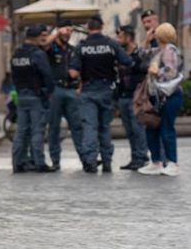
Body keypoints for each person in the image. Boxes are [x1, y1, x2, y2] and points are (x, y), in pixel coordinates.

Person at [68, 15, 132, 173]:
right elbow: (127, 61)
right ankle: (107, 161)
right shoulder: (111, 44)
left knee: (90, 127)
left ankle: (90, 161)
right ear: (102, 26)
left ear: (88, 27)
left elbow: (73, 74)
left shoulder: (81, 47)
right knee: (104, 127)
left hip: (88, 90)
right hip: (106, 90)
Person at [139, 23, 184, 176]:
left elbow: (171, 72)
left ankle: (172, 163)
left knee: (166, 128)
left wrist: (156, 72)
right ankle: (156, 162)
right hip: (159, 96)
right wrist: (146, 40)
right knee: (152, 127)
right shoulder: (160, 50)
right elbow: (143, 55)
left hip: (170, 95)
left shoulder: (170, 50)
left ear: (160, 35)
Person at [10, 26, 54, 173]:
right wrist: (49, 92)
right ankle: (39, 163)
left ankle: (18, 163)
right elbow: (47, 75)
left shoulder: (17, 54)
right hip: (36, 96)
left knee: (21, 131)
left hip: (22, 96)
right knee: (37, 131)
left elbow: (14, 76)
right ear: (36, 38)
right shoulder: (38, 54)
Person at [43, 21, 83, 171]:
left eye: (70, 32)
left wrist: (80, 87)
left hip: (71, 90)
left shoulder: (73, 50)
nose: (68, 34)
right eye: (66, 31)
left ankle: (86, 159)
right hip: (56, 90)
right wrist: (57, 32)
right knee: (54, 127)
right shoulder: (51, 48)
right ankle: (55, 161)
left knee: (77, 126)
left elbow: (81, 69)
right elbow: (44, 45)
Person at [116, 25, 150, 170]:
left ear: (128, 38)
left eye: (120, 37)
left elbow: (144, 69)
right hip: (123, 96)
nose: (118, 40)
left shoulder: (140, 54)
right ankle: (135, 158)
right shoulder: (120, 54)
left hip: (136, 97)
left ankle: (142, 158)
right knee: (129, 130)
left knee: (138, 129)